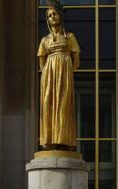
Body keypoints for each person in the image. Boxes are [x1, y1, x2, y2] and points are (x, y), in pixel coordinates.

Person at [37, 0, 81, 151]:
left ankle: (64, 140)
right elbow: (41, 62)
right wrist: (47, 77)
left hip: (64, 74)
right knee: (48, 105)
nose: (52, 17)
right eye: (49, 15)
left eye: (54, 14)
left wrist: (66, 70)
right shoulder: (45, 40)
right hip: (49, 76)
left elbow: (76, 60)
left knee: (63, 106)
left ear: (60, 15)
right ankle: (48, 141)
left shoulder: (69, 37)